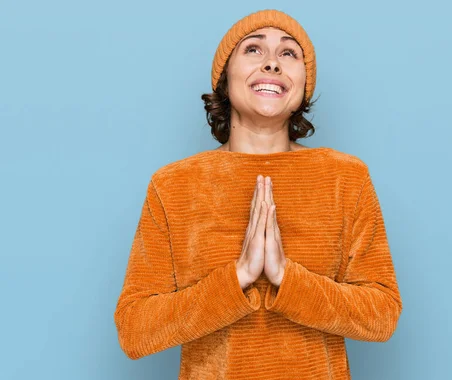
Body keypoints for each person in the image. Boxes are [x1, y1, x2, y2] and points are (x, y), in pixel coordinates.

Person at [113, 8, 403, 379]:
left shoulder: (345, 177)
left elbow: (383, 314)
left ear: (303, 84)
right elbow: (134, 330)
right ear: (225, 78)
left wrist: (287, 278)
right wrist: (238, 277)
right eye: (253, 50)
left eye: (288, 53)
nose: (272, 64)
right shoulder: (172, 185)